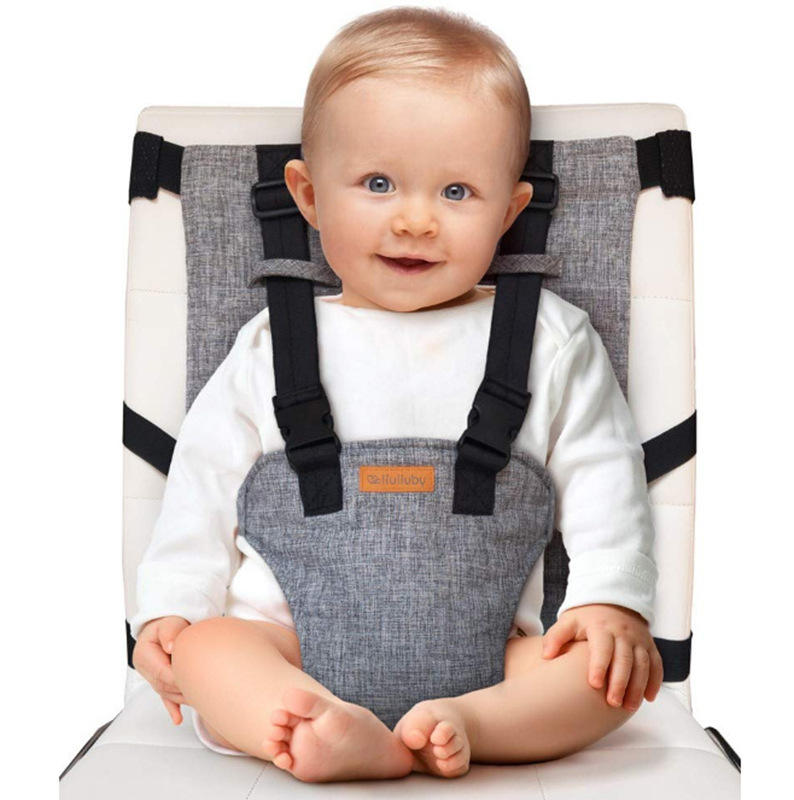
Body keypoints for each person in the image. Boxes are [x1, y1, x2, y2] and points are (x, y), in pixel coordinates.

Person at [130, 6, 663, 784]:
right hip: (288, 645)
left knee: (608, 677)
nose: (416, 221)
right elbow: (200, 485)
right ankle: (314, 722)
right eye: (378, 184)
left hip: (491, 659)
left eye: (457, 191)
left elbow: (605, 473)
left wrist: (610, 600)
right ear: (309, 196)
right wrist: (170, 607)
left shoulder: (548, 338)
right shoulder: (272, 343)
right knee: (209, 649)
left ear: (510, 212)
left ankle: (468, 723)